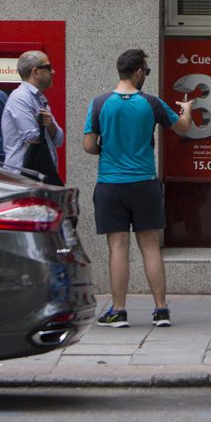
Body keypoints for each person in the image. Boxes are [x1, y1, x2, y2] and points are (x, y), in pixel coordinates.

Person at [83, 49, 192, 328]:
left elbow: (89, 146)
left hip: (110, 184)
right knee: (150, 246)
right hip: (145, 183)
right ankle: (161, 310)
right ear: (139, 72)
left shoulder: (99, 104)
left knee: (118, 247)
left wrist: (109, 150)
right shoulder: (151, 103)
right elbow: (182, 127)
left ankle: (118, 311)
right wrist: (188, 111)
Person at [2, 50, 64, 177]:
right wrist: (40, 123)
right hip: (22, 177)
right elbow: (32, 137)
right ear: (35, 71)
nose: (53, 72)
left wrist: (50, 124)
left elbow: (59, 139)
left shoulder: (38, 98)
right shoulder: (20, 97)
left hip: (37, 176)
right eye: (48, 68)